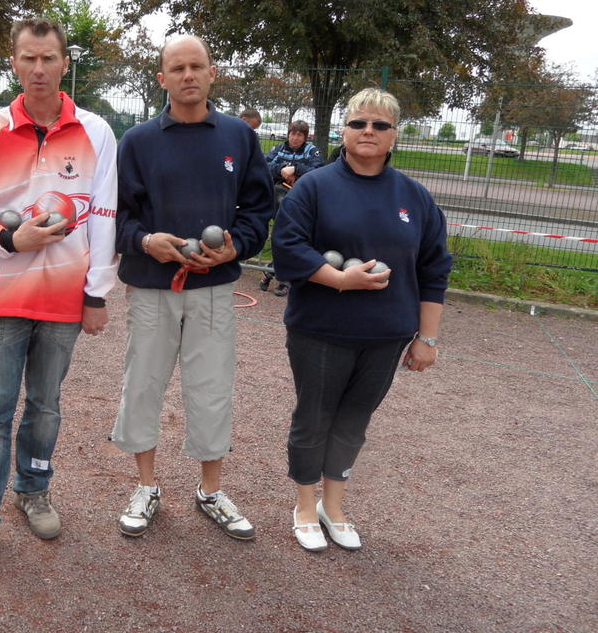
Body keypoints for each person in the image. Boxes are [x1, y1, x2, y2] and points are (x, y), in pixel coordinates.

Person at [0, 18, 118, 582]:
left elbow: (104, 216)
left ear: (66, 63)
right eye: (28, 59)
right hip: (2, 295)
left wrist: (97, 294)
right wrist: (5, 238)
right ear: (14, 64)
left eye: (49, 58)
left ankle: (35, 490)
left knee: (45, 406)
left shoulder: (96, 131)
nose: (39, 69)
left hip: (66, 299)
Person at [270, 88, 452, 552]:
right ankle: (305, 505)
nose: (368, 131)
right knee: (315, 417)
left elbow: (434, 270)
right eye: (358, 124)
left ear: (393, 136)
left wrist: (427, 338)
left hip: (387, 335)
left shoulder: (415, 197)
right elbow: (288, 246)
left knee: (354, 420)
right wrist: (339, 280)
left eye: (380, 125)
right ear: (344, 132)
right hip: (321, 330)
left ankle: (335, 505)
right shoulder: (315, 186)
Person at [111, 34, 273, 541]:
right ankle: (146, 486)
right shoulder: (136, 142)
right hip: (153, 288)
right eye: (176, 68)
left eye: (195, 66)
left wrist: (235, 248)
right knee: (143, 385)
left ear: (211, 73)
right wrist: (144, 241)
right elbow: (114, 219)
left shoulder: (238, 138)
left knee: (211, 389)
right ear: (161, 78)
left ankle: (210, 490)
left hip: (213, 289)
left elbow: (259, 211)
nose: (187, 75)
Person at [259, 120, 324, 296]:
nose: (295, 138)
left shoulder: (311, 151)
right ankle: (278, 273)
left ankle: (275, 273)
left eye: (300, 135)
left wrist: (295, 169)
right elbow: (263, 165)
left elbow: (317, 170)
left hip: (300, 199)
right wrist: (281, 170)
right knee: (284, 234)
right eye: (293, 134)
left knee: (289, 235)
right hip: (277, 196)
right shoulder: (278, 149)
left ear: (305, 137)